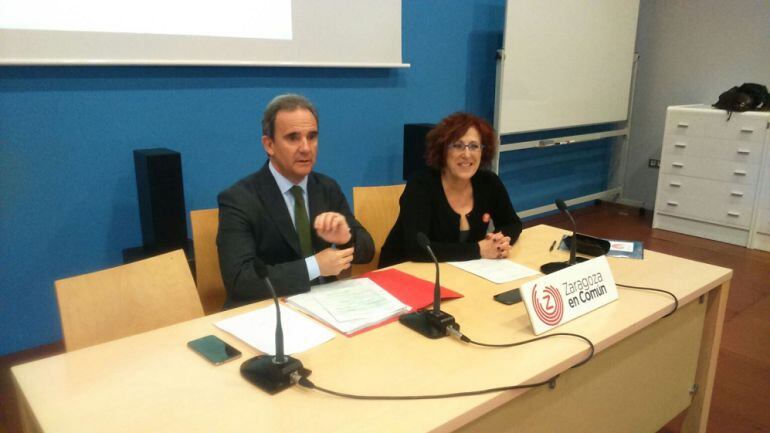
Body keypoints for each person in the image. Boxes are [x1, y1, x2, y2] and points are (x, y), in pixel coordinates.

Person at [217, 94, 374, 309]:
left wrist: (347, 237)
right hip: (269, 310)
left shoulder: (326, 187)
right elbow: (240, 280)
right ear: (269, 144)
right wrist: (314, 267)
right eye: (293, 138)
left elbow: (367, 251)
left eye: (312, 136)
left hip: (328, 305)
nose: (306, 148)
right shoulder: (239, 199)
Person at [378, 112, 522, 268]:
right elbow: (418, 249)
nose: (467, 154)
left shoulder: (488, 182)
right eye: (458, 146)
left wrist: (499, 243)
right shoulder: (421, 185)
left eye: (474, 146)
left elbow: (512, 223)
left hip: (458, 270)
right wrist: (479, 249)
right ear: (443, 150)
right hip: (402, 270)